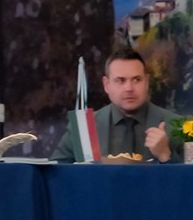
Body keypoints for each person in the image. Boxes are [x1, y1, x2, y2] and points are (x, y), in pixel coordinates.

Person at [50, 46, 182, 163]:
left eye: (136, 79)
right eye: (120, 80)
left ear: (147, 82)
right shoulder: (83, 127)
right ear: (106, 85)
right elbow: (56, 178)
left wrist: (166, 155)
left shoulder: (175, 126)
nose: (129, 88)